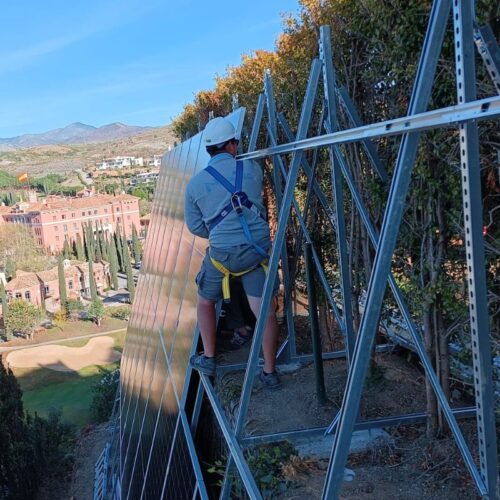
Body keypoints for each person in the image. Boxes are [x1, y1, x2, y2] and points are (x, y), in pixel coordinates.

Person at [184, 116, 281, 389]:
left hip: (222, 256)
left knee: (205, 301)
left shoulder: (195, 185)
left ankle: (210, 357)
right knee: (265, 312)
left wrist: (219, 234)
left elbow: (195, 226)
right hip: (256, 251)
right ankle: (270, 373)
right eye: (236, 143)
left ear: (208, 150)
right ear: (231, 145)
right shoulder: (252, 169)